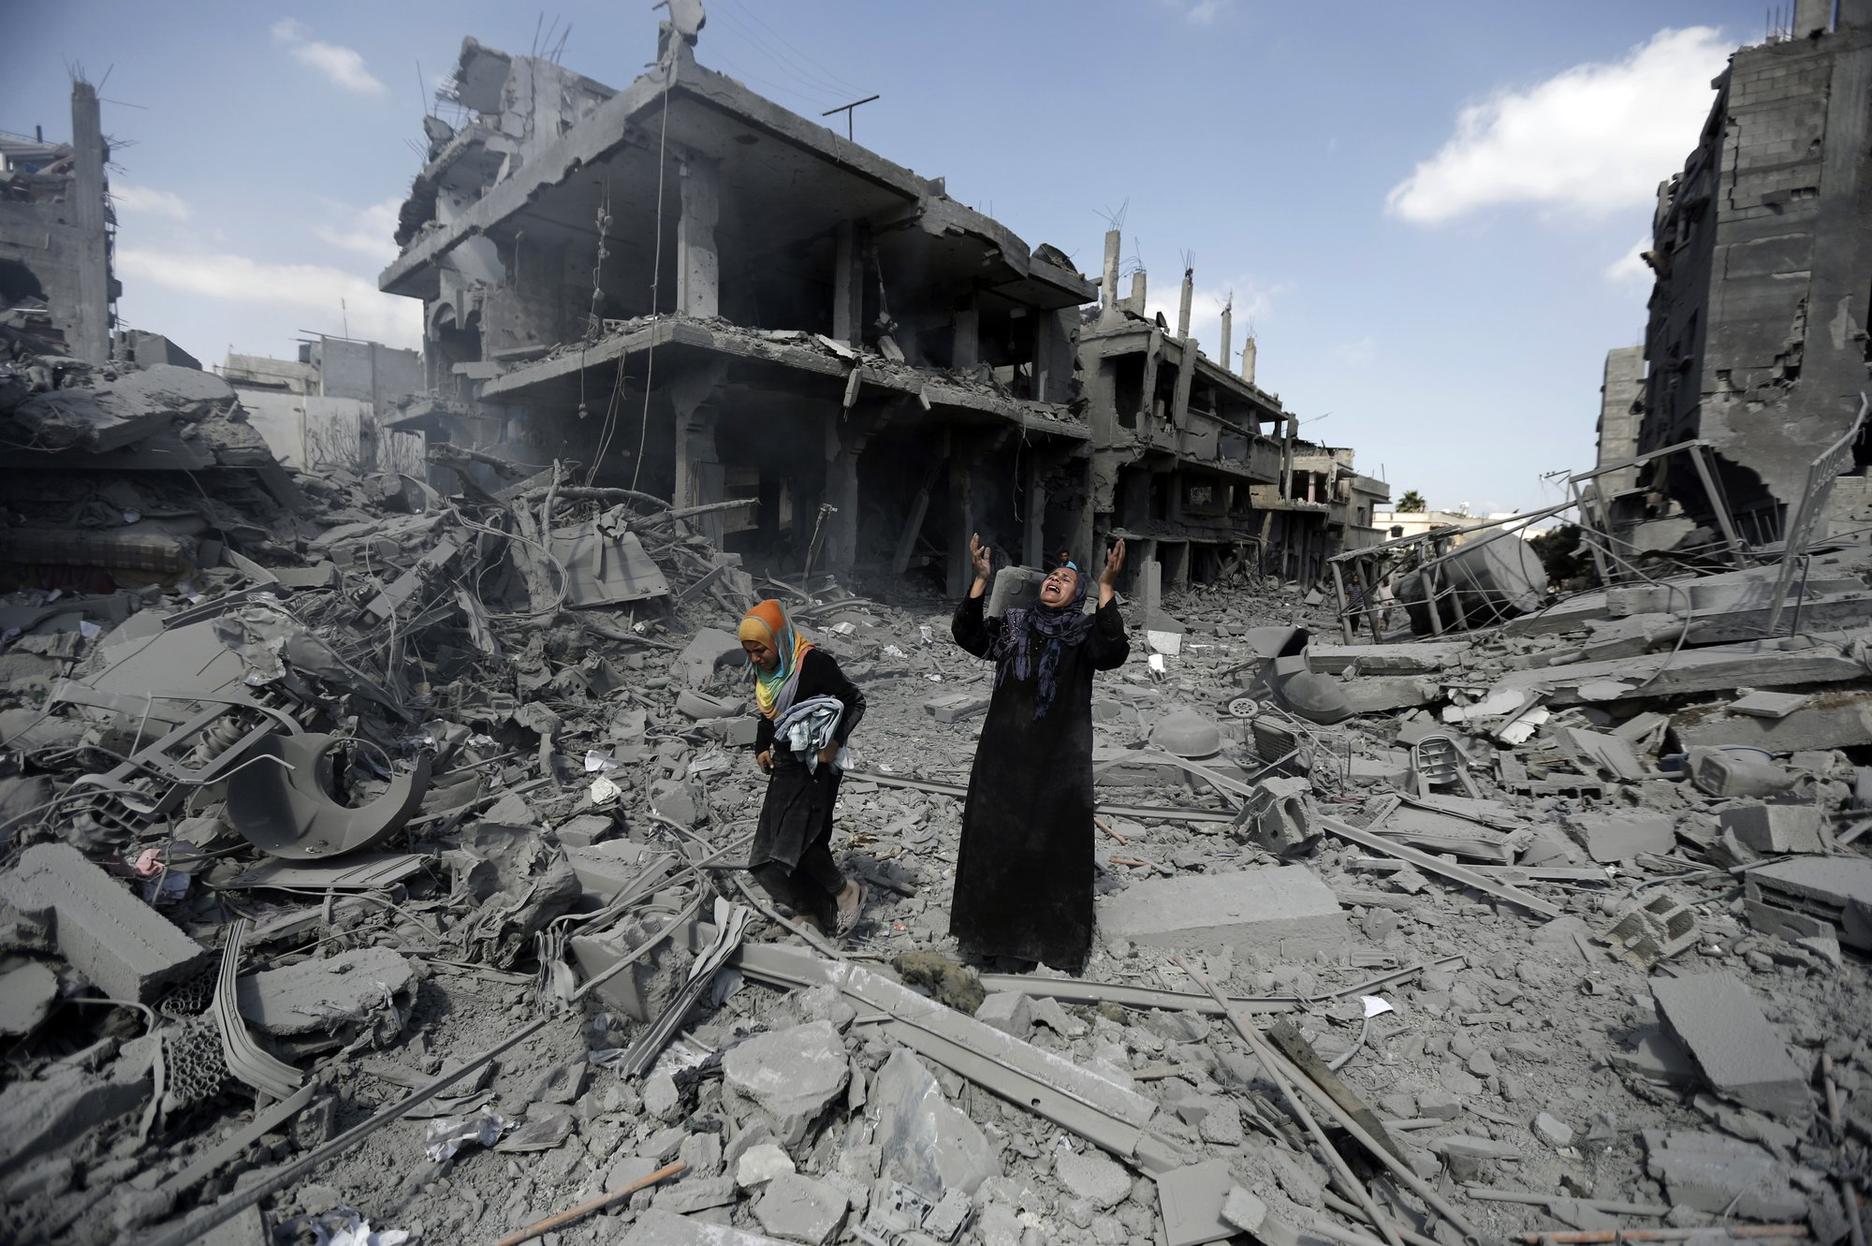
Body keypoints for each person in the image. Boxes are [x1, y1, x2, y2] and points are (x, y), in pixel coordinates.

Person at [949, 534, 1129, 972]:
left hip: (1057, 762)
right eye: (1053, 575)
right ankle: (986, 936)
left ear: (1078, 596)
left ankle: (1041, 946)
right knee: (995, 843)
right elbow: (968, 635)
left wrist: (1107, 586)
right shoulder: (1015, 624)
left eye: (1067, 579)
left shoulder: (1084, 633)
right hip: (1003, 757)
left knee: (1048, 847)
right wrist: (981, 580)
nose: (1055, 580)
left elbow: (1113, 652)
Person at [739, 599, 867, 935]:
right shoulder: (767, 670)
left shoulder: (813, 663)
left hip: (816, 766)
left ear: (779, 639)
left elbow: (854, 700)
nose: (755, 659)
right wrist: (761, 746)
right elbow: (769, 712)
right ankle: (810, 910)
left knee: (800, 841)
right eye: (749, 652)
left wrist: (833, 741)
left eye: (760, 650)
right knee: (766, 853)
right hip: (785, 764)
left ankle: (845, 892)